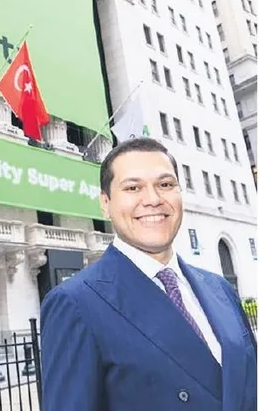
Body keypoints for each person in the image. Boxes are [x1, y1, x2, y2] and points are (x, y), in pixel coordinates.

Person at [40, 137, 257, 411]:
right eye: (133, 187)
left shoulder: (220, 288)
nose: (153, 200)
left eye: (165, 185)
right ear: (105, 203)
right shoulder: (74, 303)